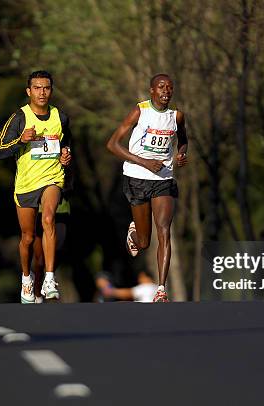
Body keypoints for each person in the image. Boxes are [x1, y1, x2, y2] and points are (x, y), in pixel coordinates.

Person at [106, 73, 188, 302]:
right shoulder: (140, 111)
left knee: (164, 230)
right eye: (161, 87)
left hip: (164, 179)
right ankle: (135, 231)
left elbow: (183, 141)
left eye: (170, 87)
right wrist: (144, 162)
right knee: (144, 243)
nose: (166, 91)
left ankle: (161, 290)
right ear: (152, 91)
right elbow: (112, 144)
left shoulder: (177, 116)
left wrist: (181, 154)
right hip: (137, 177)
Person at [0, 70, 72, 303]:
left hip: (52, 179)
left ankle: (49, 278)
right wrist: (21, 140)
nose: (42, 92)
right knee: (28, 237)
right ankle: (26, 278)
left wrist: (66, 155)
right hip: (27, 183)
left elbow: (65, 142)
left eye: (46, 88)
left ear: (51, 90)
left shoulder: (61, 117)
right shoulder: (20, 117)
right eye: (37, 88)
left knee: (48, 219)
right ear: (29, 91)